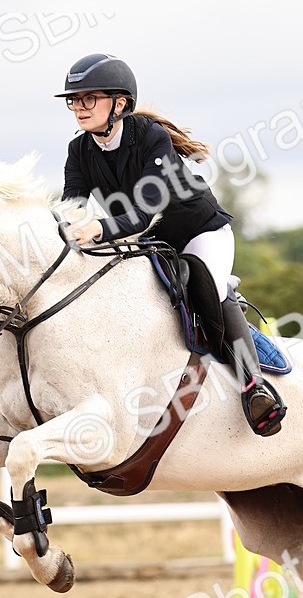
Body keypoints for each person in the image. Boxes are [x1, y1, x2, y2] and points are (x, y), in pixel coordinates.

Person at [56, 52, 286, 437]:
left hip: (199, 231)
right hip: (151, 242)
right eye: (74, 100)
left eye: (89, 98)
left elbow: (144, 214)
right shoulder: (78, 151)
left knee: (209, 290)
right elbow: (72, 206)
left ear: (120, 103)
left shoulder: (149, 136)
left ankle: (254, 385)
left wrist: (95, 229)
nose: (79, 107)